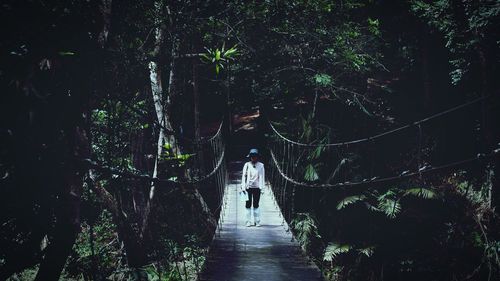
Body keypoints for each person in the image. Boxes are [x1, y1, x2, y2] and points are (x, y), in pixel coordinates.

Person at [240, 148, 265, 227]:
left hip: (257, 187)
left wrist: (262, 188)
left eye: (255, 156)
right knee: (248, 204)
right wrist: (243, 187)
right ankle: (248, 221)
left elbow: (262, 177)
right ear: (250, 157)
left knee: (256, 204)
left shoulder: (261, 165)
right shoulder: (247, 165)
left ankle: (257, 221)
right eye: (252, 156)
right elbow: (243, 176)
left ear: (257, 157)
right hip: (248, 188)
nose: (253, 158)